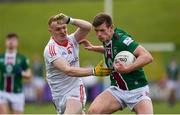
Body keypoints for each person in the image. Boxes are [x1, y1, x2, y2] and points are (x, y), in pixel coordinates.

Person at [80, 13, 154, 114]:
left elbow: (147, 56)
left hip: (137, 90)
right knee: (93, 112)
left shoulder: (122, 40)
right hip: (117, 89)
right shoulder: (107, 38)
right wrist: (94, 48)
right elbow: (111, 50)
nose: (99, 35)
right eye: (96, 31)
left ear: (111, 28)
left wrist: (127, 69)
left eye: (102, 30)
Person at [43, 13, 111, 114]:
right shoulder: (51, 49)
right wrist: (93, 71)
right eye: (58, 29)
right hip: (59, 95)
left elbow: (88, 27)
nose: (62, 31)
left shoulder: (72, 40)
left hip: (75, 91)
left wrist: (70, 20)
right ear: (51, 31)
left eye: (64, 27)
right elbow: (68, 70)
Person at [0, 33, 32, 114]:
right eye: (9, 40)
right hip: (3, 92)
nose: (11, 42)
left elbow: (29, 75)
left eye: (13, 40)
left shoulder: (22, 58)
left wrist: (21, 73)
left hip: (17, 93)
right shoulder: (1, 57)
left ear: (17, 43)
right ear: (5, 42)